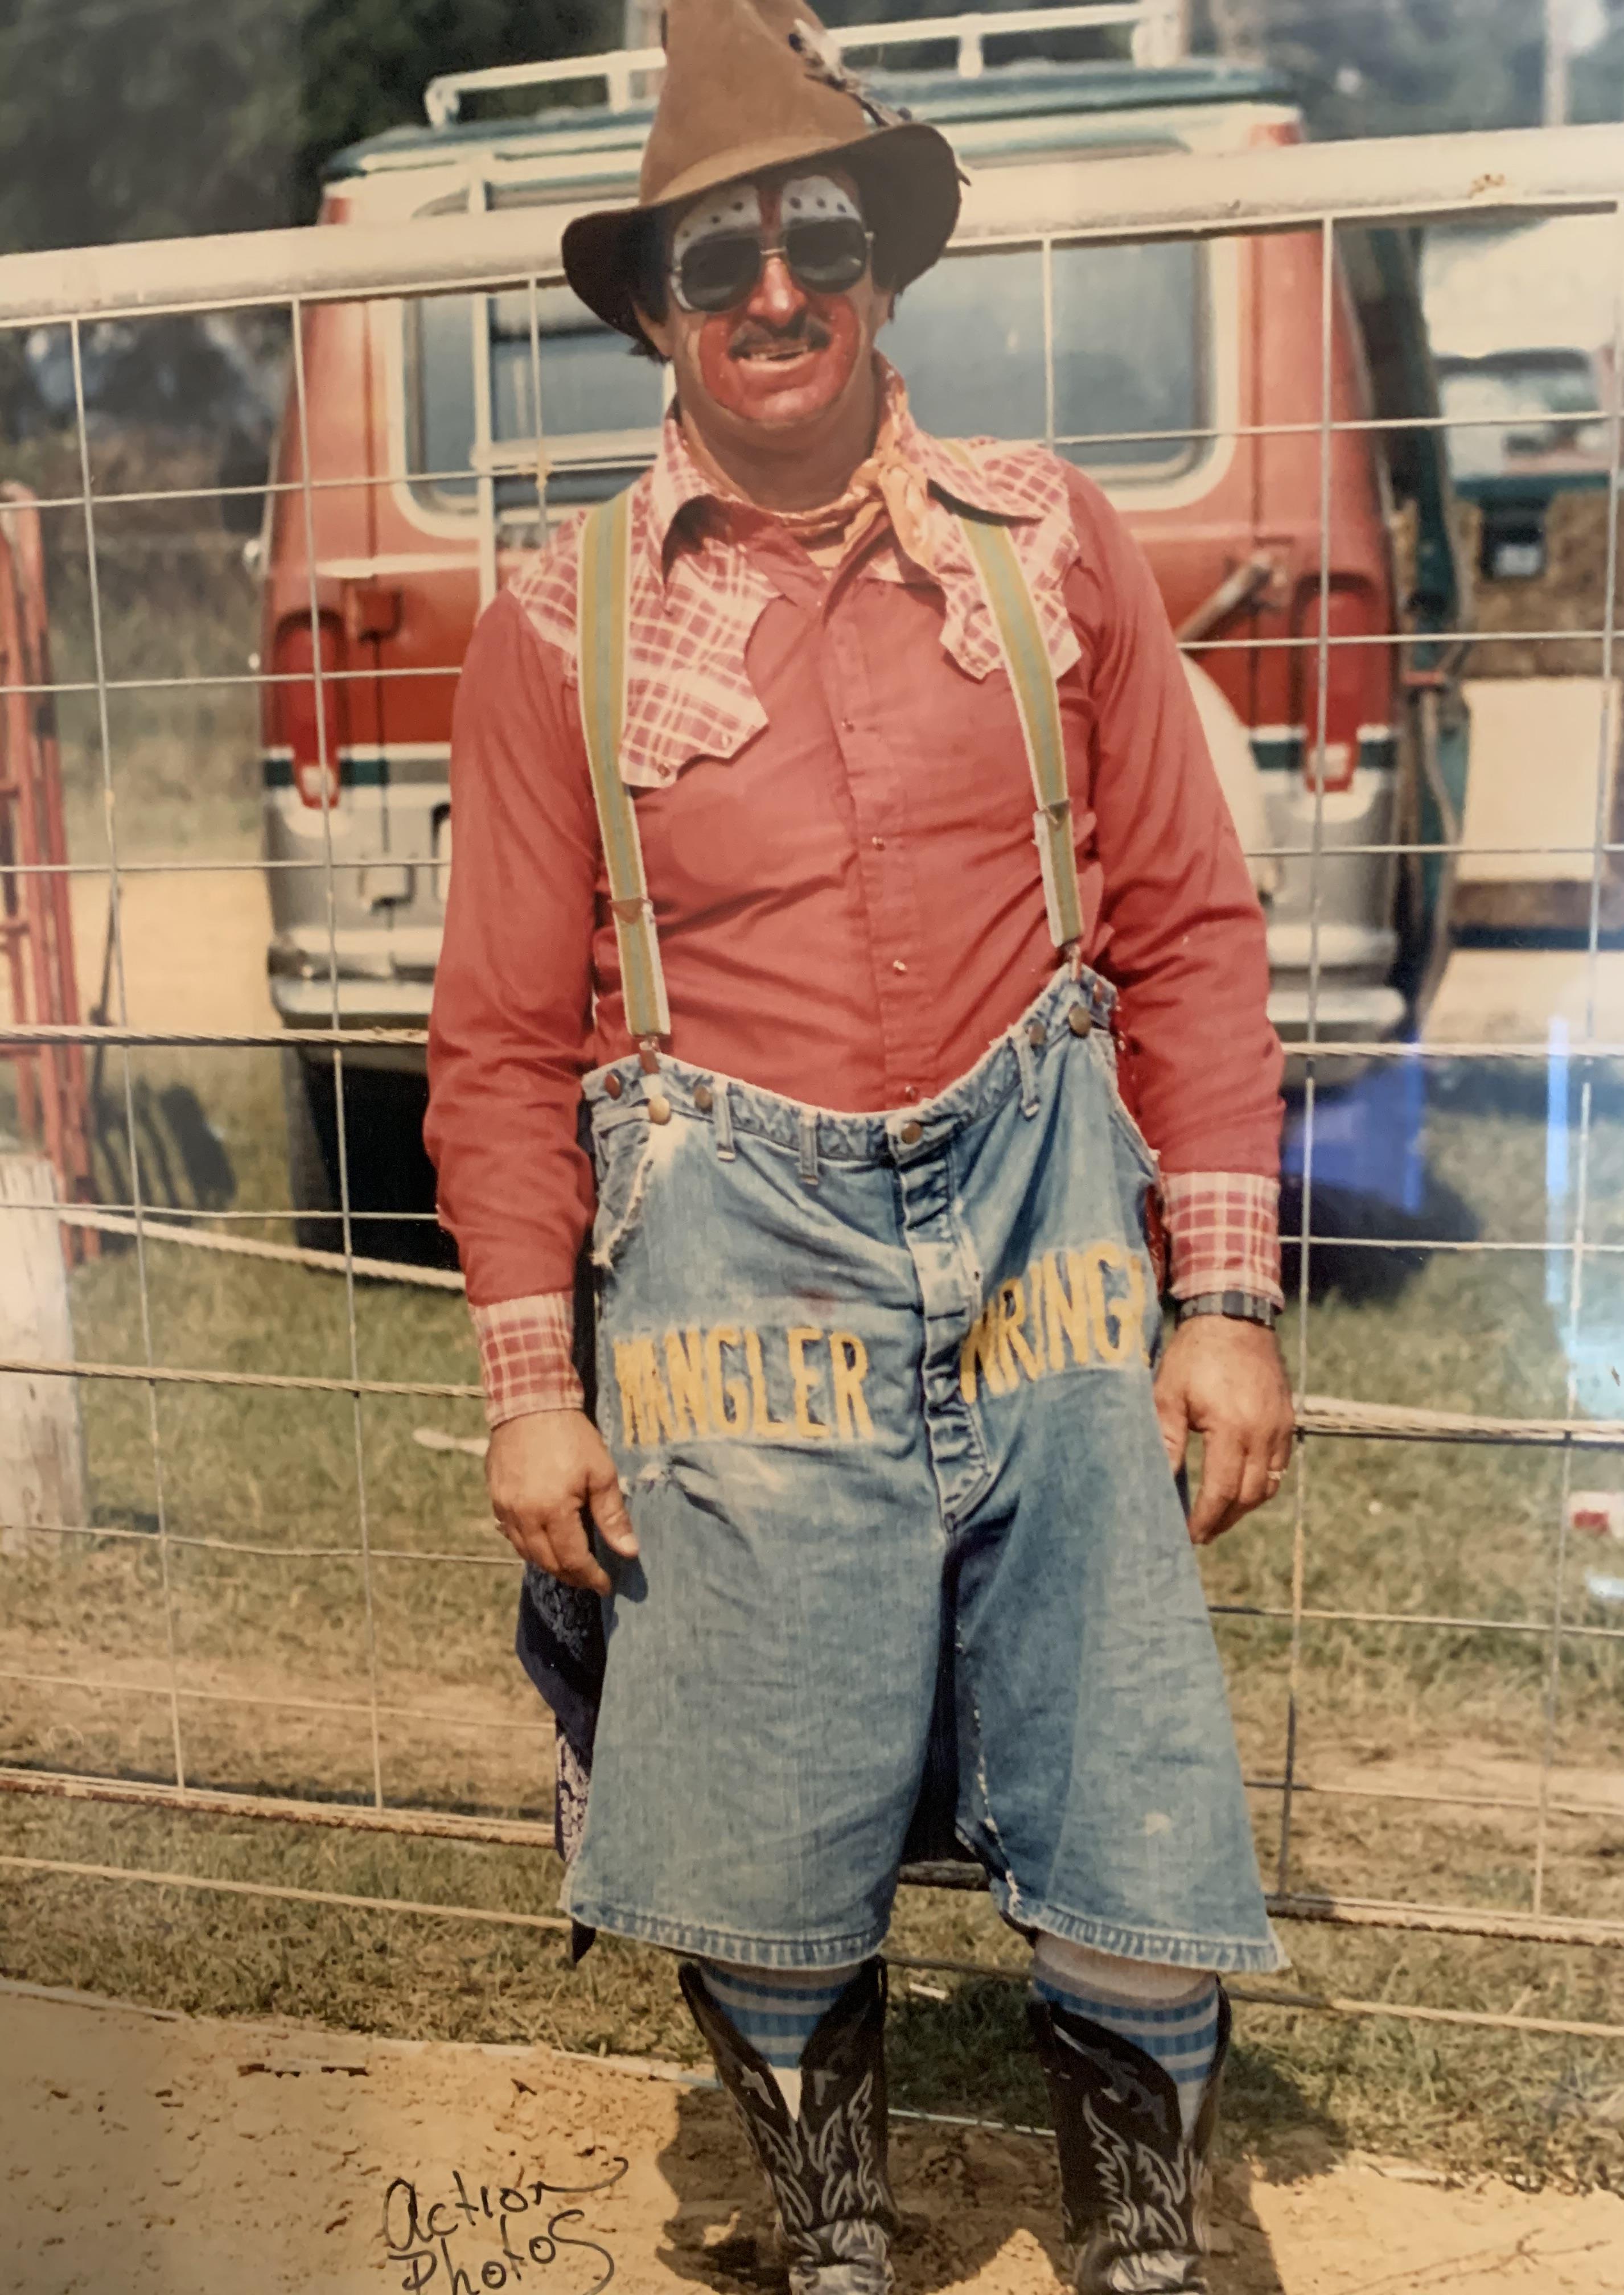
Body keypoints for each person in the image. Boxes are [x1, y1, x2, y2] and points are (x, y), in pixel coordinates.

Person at [425, 2, 1295, 2286]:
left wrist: (1222, 1303)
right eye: (720, 268)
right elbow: (506, 1043)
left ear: (883, 269)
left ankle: (1141, 2238)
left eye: (819, 239)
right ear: (653, 316)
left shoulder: (1051, 546)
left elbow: (1196, 930)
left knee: (1116, 1728)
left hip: (1051, 1246)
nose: (778, 295)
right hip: (739, 1264)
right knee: (763, 1749)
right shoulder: (557, 624)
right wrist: (532, 1389)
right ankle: (831, 2232)